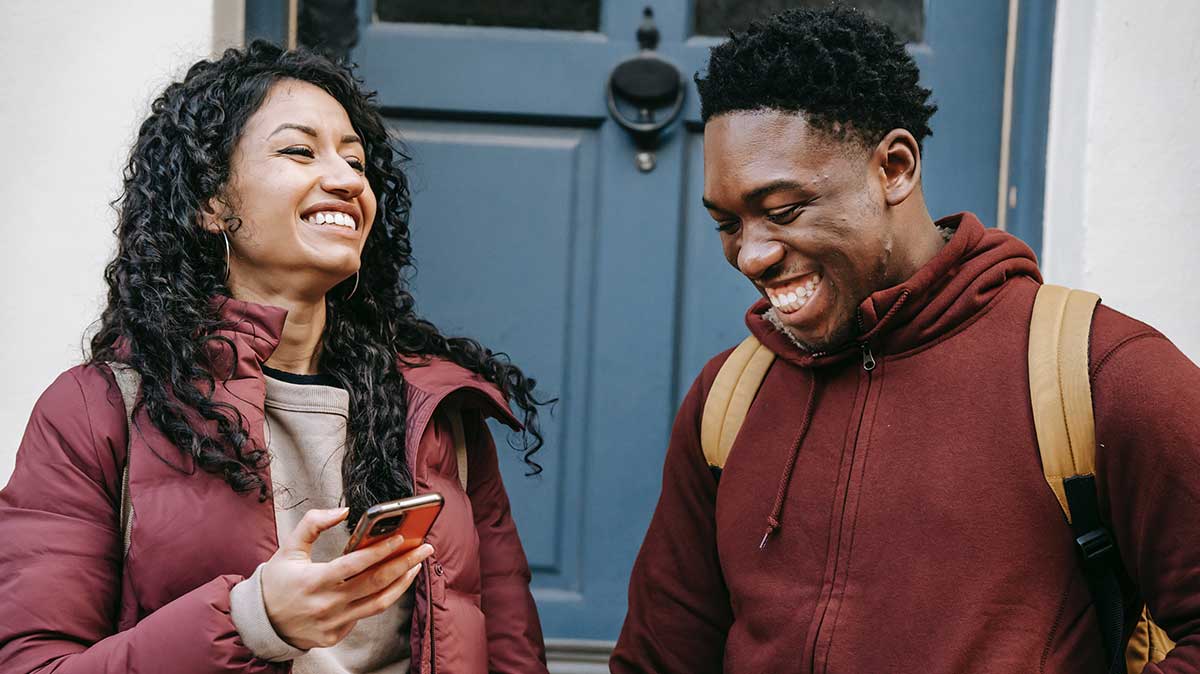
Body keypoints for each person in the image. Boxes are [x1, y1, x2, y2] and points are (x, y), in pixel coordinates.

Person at [611, 7, 1200, 673]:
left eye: (783, 211)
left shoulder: (1100, 372)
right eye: (727, 222)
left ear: (894, 167)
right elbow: (658, 661)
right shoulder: (730, 397)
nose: (750, 255)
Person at [0, 42, 550, 674]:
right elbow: (32, 664)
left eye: (356, 161)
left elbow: (511, 652)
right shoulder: (97, 411)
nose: (347, 180)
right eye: (298, 150)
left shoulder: (437, 409)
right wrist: (253, 622)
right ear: (212, 204)